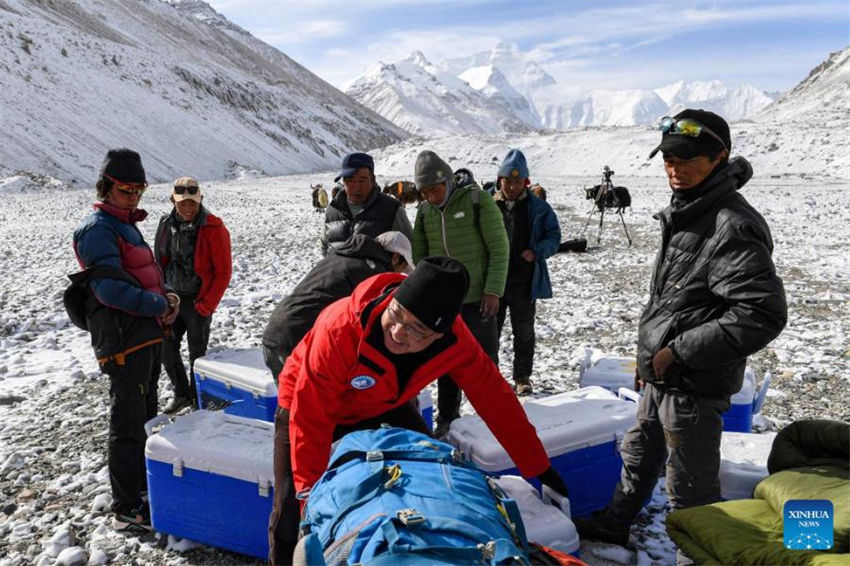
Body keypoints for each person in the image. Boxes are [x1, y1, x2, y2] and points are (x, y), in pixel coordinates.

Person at [575, 109, 787, 548]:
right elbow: (675, 298)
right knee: (639, 453)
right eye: (669, 160)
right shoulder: (689, 210)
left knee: (690, 491)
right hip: (664, 374)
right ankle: (616, 523)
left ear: (719, 158)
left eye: (687, 160)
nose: (675, 170)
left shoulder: (729, 224)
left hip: (693, 382)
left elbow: (760, 313)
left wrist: (679, 352)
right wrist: (650, 358)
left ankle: (699, 556)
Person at [267, 257, 569, 565]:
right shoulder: (341, 326)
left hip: (383, 402)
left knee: (432, 468)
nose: (398, 332)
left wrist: (537, 465)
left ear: (440, 335)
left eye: (417, 330)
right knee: (292, 507)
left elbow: (496, 399)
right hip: (306, 403)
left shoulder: (456, 343)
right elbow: (311, 417)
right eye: (396, 314)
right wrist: (311, 503)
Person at [72, 149, 179, 532]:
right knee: (128, 422)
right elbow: (108, 289)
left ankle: (142, 488)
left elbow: (144, 272)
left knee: (146, 415)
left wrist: (167, 299)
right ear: (107, 186)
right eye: (125, 188)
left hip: (144, 334)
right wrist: (155, 304)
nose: (133, 195)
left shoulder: (124, 224)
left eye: (139, 188)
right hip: (123, 340)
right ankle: (125, 505)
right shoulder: (97, 229)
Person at [411, 150, 509, 437]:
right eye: (425, 192)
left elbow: (499, 248)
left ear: (447, 180)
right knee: (446, 362)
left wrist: (493, 290)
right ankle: (448, 420)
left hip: (479, 299)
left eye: (435, 189)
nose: (432, 196)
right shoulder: (425, 212)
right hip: (445, 303)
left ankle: (493, 418)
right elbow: (421, 256)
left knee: (485, 362)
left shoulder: (477, 201)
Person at [261, 232, 414, 380]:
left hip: (275, 332)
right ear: (395, 258)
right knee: (312, 402)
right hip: (300, 340)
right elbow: (369, 327)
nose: (399, 273)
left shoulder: (339, 256)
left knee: (289, 402)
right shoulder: (373, 274)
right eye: (403, 266)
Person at [154, 177, 232, 414]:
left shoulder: (213, 227)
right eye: (182, 204)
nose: (187, 209)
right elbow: (159, 260)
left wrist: (206, 306)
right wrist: (162, 293)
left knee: (197, 354)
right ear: (173, 201)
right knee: (166, 347)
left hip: (198, 301)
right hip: (172, 300)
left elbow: (223, 272)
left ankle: (198, 399)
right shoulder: (166, 224)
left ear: (200, 200)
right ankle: (181, 393)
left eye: (192, 204)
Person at [492, 149, 561, 395]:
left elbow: (554, 236)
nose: (512, 186)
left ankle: (522, 377)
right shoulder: (486, 204)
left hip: (524, 282)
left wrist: (537, 250)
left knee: (523, 332)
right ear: (499, 179)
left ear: (526, 182)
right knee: (491, 332)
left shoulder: (539, 208)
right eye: (507, 180)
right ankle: (490, 378)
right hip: (493, 283)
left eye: (517, 181)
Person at [321, 152, 412, 255]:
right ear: (344, 182)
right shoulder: (333, 211)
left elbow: (409, 250)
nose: (357, 187)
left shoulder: (392, 209)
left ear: (372, 180)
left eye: (362, 180)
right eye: (351, 181)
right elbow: (325, 246)